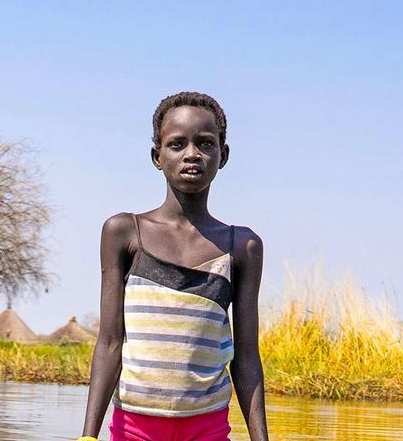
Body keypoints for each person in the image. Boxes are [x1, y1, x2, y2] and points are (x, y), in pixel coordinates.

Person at [79, 91, 269, 441]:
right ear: (157, 156)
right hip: (134, 427)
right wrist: (88, 436)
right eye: (177, 144)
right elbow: (109, 343)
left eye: (206, 143)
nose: (192, 154)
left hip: (207, 427)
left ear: (222, 156)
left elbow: (246, 360)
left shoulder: (241, 247)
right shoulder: (124, 233)